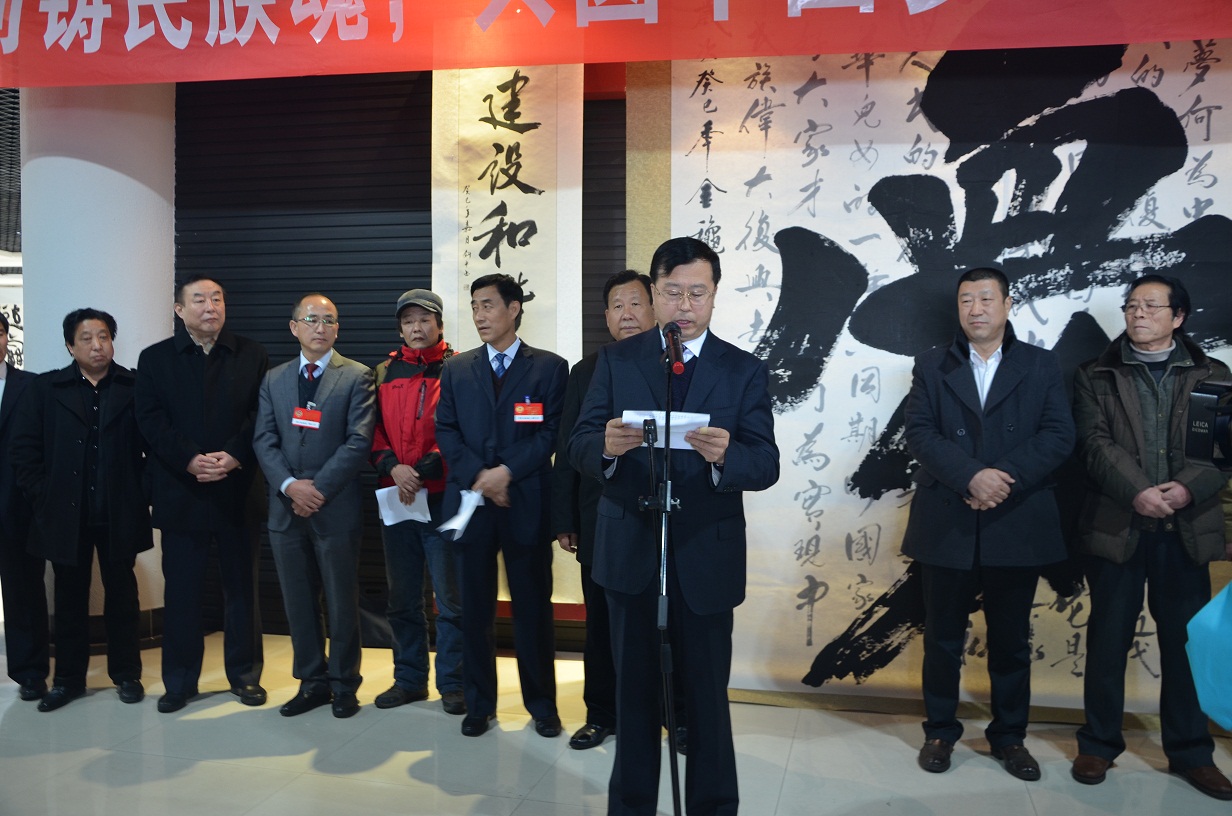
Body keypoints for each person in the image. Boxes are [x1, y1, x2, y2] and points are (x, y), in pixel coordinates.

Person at [568, 237, 779, 816]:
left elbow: (766, 463)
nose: (685, 305)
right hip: (631, 552)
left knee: (707, 700)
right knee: (633, 698)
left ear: (714, 295)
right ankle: (631, 805)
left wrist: (727, 457)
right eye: (673, 292)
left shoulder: (743, 370)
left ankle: (713, 806)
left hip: (705, 555)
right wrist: (605, 448)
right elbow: (578, 444)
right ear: (655, 294)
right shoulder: (617, 362)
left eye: (697, 293)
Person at [901, 267, 1074, 780]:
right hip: (948, 516)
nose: (975, 309)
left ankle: (1009, 737)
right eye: (966, 300)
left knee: (1011, 640)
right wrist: (971, 477)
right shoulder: (931, 364)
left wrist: (1002, 481)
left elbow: (1058, 435)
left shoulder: (1040, 364)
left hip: (1015, 516)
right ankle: (939, 731)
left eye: (985, 299)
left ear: (1007, 304)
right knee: (942, 637)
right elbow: (920, 433)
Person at [1071, 273, 1232, 801]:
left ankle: (1191, 753)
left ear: (1178, 317)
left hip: (1186, 529)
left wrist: (1185, 490)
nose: (1138, 314)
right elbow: (1094, 444)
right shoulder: (1096, 373)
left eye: (1152, 306)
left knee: (1185, 646)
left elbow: (1221, 452)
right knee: (1108, 640)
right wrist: (1138, 491)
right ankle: (1098, 744)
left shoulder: (1214, 374)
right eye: (1132, 306)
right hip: (1119, 525)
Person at [435, 273, 567, 738]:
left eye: (488, 305)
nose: (479, 315)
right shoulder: (456, 368)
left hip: (525, 501)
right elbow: (446, 430)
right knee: (474, 610)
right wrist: (481, 476)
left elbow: (552, 432)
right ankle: (479, 704)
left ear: (514, 309)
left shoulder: (550, 367)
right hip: (471, 503)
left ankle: (542, 706)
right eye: (474, 306)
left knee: (533, 609)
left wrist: (506, 471)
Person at [135, 275, 270, 713]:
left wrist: (234, 455)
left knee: (242, 589)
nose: (210, 307)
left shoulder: (252, 354)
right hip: (181, 492)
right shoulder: (155, 359)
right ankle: (179, 681)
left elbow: (261, 414)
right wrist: (189, 459)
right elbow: (150, 420)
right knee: (182, 592)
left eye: (217, 299)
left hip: (237, 490)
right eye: (199, 300)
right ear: (179, 310)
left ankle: (245, 676)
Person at [11, 308, 152, 712]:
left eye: (104, 336)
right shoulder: (46, 389)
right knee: (69, 597)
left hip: (118, 510)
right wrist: (44, 497)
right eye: (86, 338)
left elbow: (154, 446)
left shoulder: (134, 386)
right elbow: (24, 450)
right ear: (70, 346)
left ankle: (127, 674)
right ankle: (68, 680)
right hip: (65, 513)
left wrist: (140, 493)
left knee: (122, 595)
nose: (97, 345)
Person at [253, 293, 375, 719]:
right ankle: (311, 682)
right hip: (285, 510)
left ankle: (344, 684)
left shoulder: (357, 376)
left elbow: (359, 441)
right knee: (298, 601)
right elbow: (263, 440)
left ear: (338, 329)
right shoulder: (274, 379)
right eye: (311, 319)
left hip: (334, 506)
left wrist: (316, 489)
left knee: (341, 601)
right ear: (294, 327)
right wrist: (291, 487)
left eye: (329, 320)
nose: (320, 327)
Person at [551, 269, 656, 750]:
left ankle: (674, 714)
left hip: (663, 518)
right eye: (617, 305)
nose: (626, 314)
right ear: (606, 316)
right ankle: (602, 713)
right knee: (601, 624)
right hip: (600, 517)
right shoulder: (586, 370)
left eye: (636, 303)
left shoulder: (676, 364)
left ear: (654, 309)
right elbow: (569, 446)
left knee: (666, 622)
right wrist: (565, 518)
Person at [370, 288, 466, 716]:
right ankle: (409, 680)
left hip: (442, 497)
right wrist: (394, 467)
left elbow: (463, 429)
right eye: (408, 321)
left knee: (451, 600)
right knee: (402, 598)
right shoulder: (383, 372)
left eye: (425, 319)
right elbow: (371, 429)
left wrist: (424, 469)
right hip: (397, 498)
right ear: (400, 329)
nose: (417, 327)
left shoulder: (458, 368)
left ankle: (454, 683)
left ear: (440, 324)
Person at [0, 310, 49, 701]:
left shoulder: (31, 386)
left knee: (23, 592)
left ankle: (30, 672)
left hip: (16, 507)